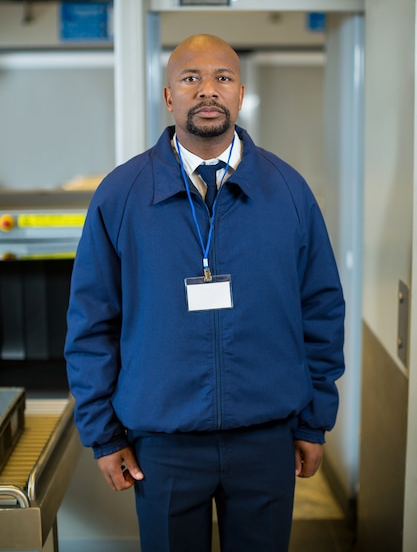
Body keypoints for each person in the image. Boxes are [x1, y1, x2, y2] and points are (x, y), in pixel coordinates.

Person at [65, 33, 345, 552]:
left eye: (222, 78)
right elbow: (91, 321)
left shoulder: (288, 192)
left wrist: (314, 421)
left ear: (240, 93)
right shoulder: (123, 195)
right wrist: (103, 433)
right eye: (191, 78)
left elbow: (321, 311)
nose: (207, 90)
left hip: (267, 436)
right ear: (169, 97)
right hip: (163, 443)